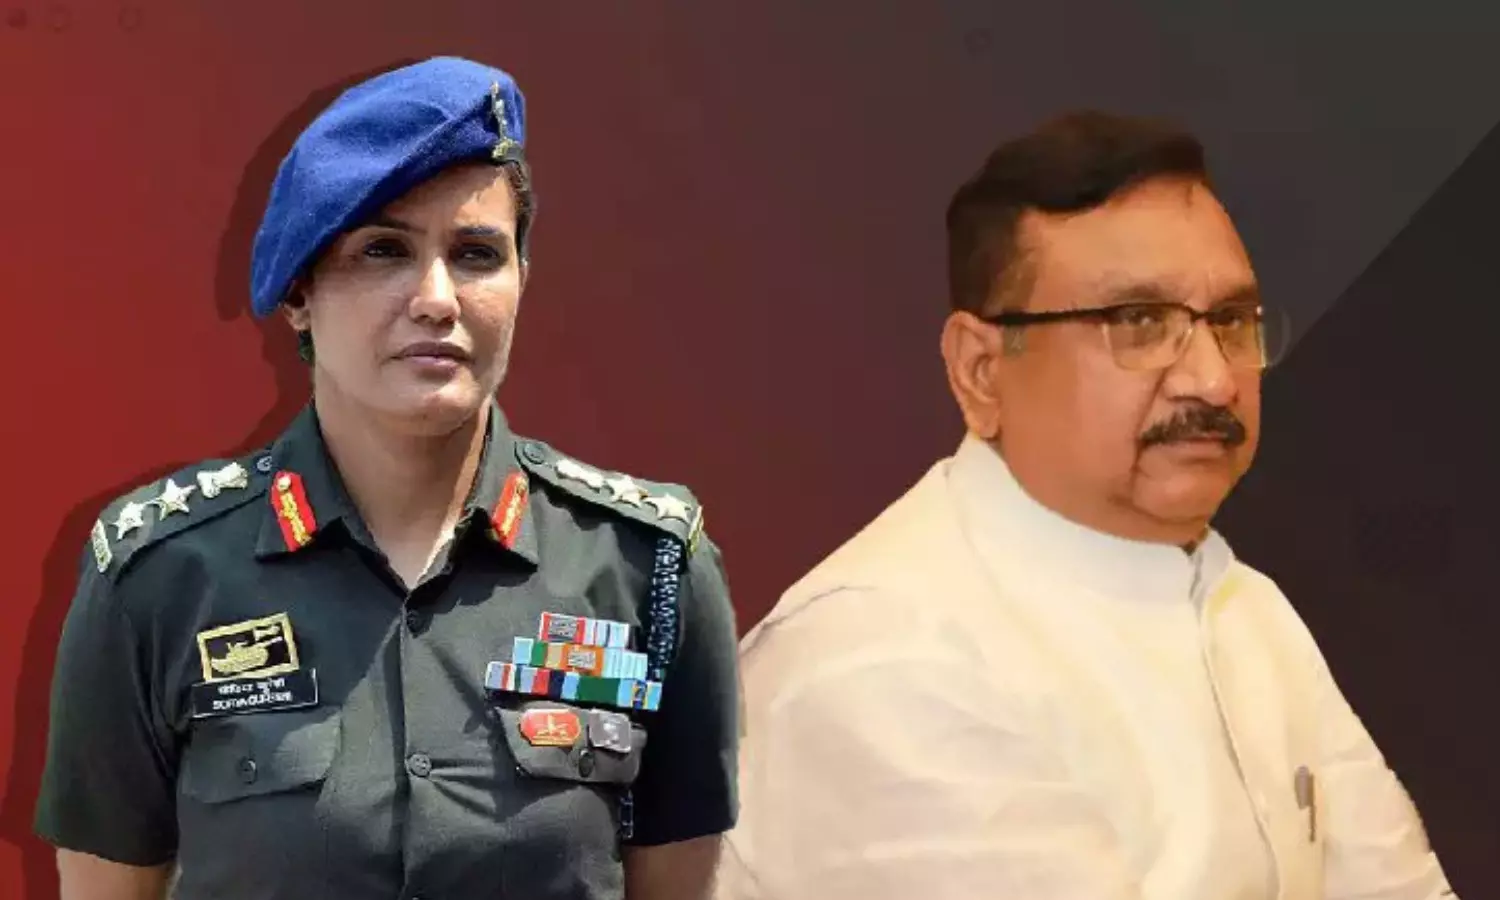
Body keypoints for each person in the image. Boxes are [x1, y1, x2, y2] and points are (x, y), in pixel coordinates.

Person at [34, 56, 740, 900]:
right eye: (383, 251)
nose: (437, 298)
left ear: (522, 279)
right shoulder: (159, 576)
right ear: (299, 292)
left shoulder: (645, 568)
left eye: (476, 253)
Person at [716, 111, 1457, 900]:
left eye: (1230, 322)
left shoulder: (1249, 608)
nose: (1213, 380)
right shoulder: (886, 653)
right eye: (1139, 323)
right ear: (981, 371)